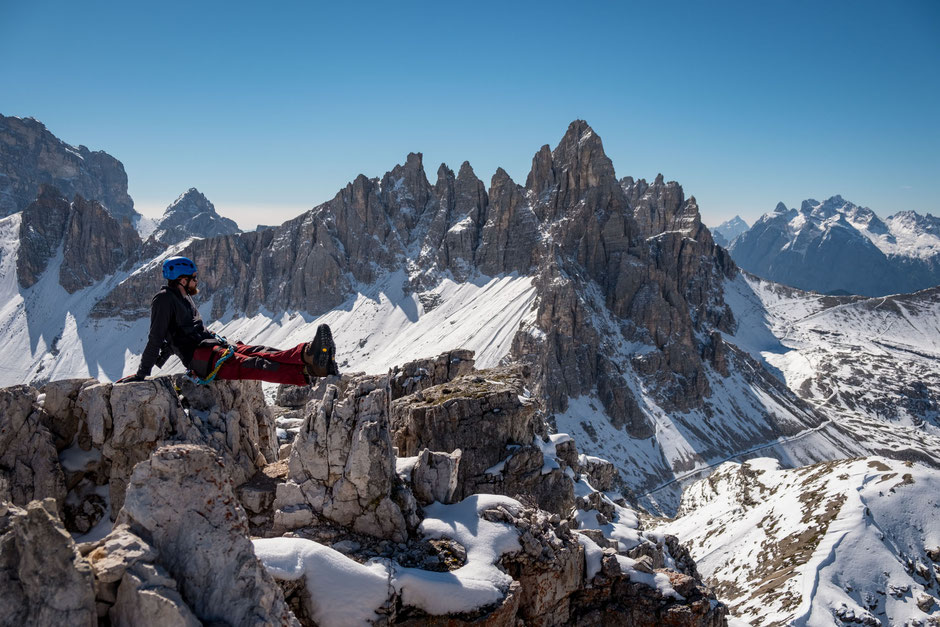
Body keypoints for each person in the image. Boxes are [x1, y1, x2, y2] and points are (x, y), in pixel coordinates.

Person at [116, 256, 338, 385]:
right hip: (202, 359)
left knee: (261, 350)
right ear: (182, 279)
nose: (196, 281)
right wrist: (141, 374)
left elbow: (173, 336)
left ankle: (309, 354)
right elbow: (156, 337)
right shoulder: (164, 299)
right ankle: (311, 371)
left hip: (211, 348)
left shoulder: (183, 297)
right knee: (255, 365)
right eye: (193, 278)